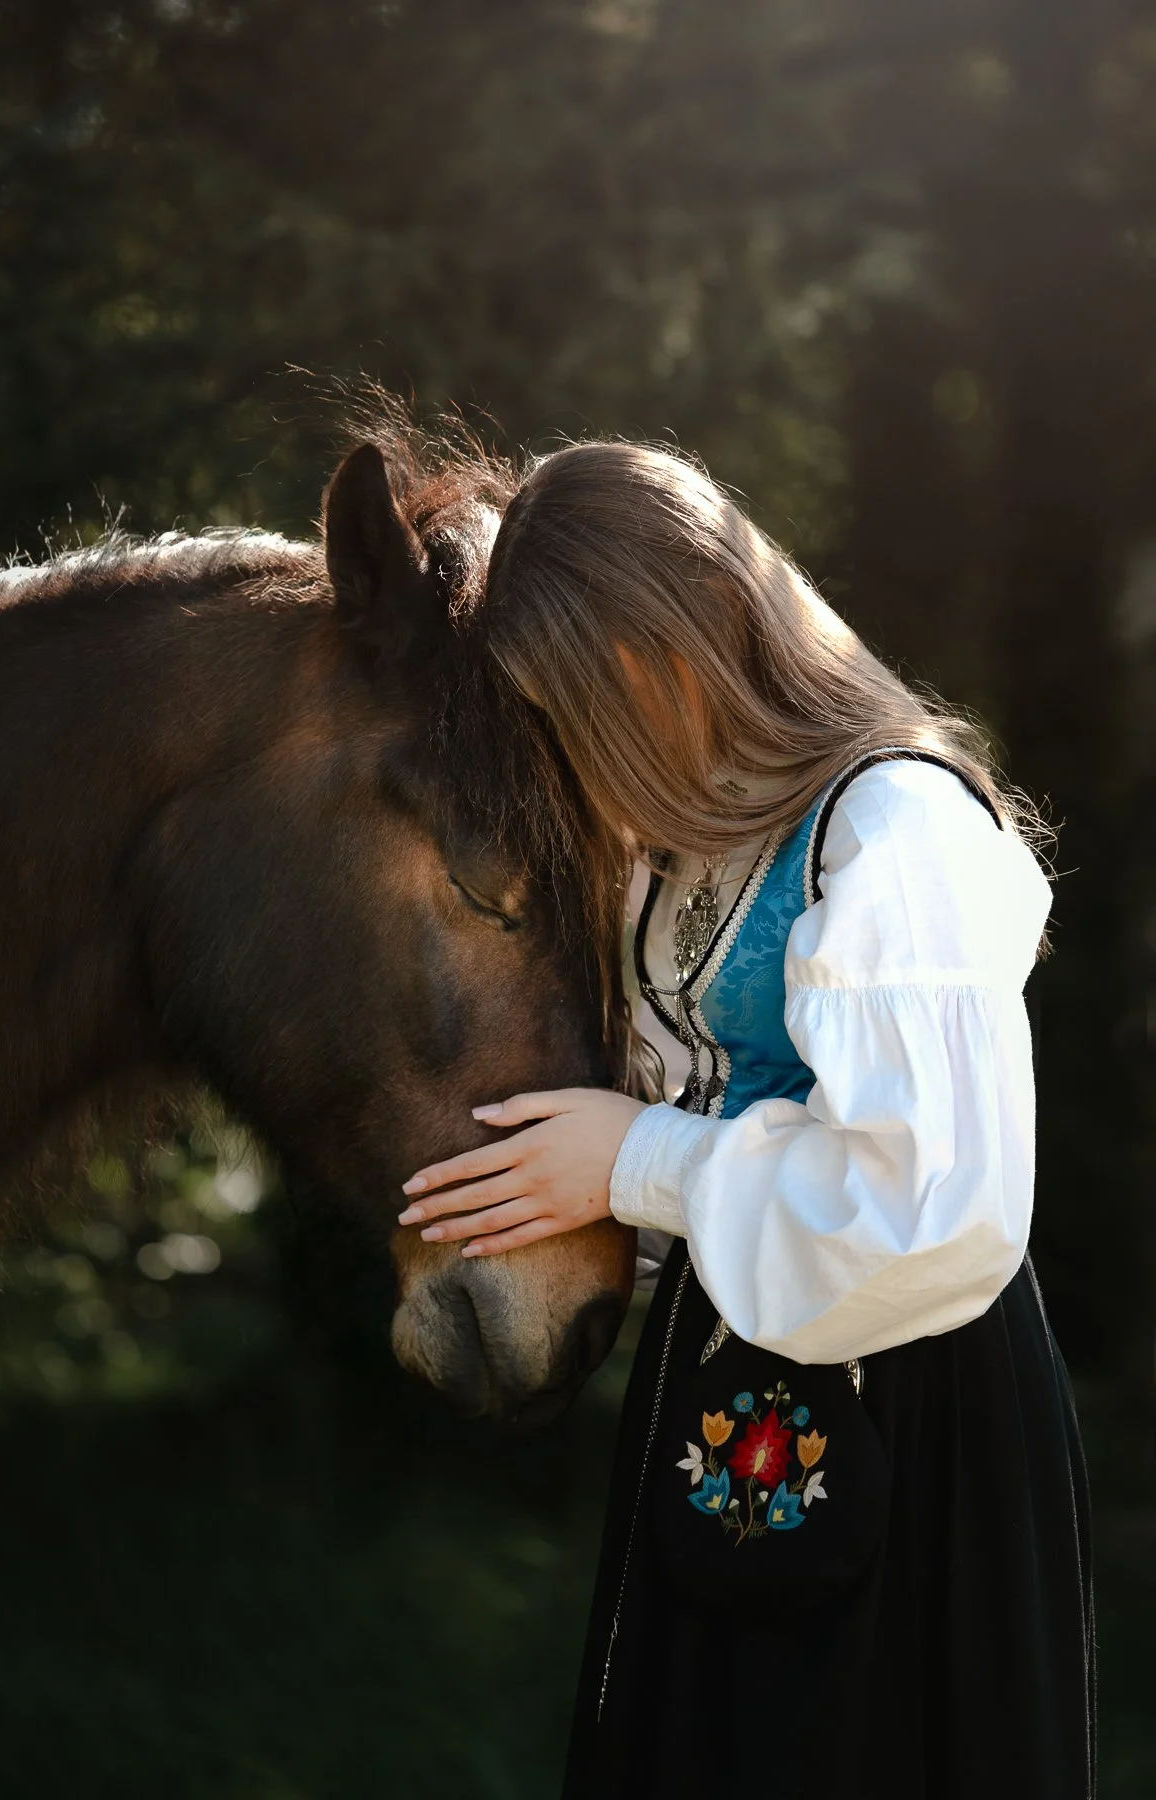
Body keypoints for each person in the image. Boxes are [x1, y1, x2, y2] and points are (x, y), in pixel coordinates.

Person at [395, 441, 1095, 1798]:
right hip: (728, 1383)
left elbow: (932, 1214)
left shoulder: (893, 833)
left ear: (679, 650)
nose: (578, 758)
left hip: (911, 1398)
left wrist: (638, 1160)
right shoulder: (696, 843)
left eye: (581, 709)